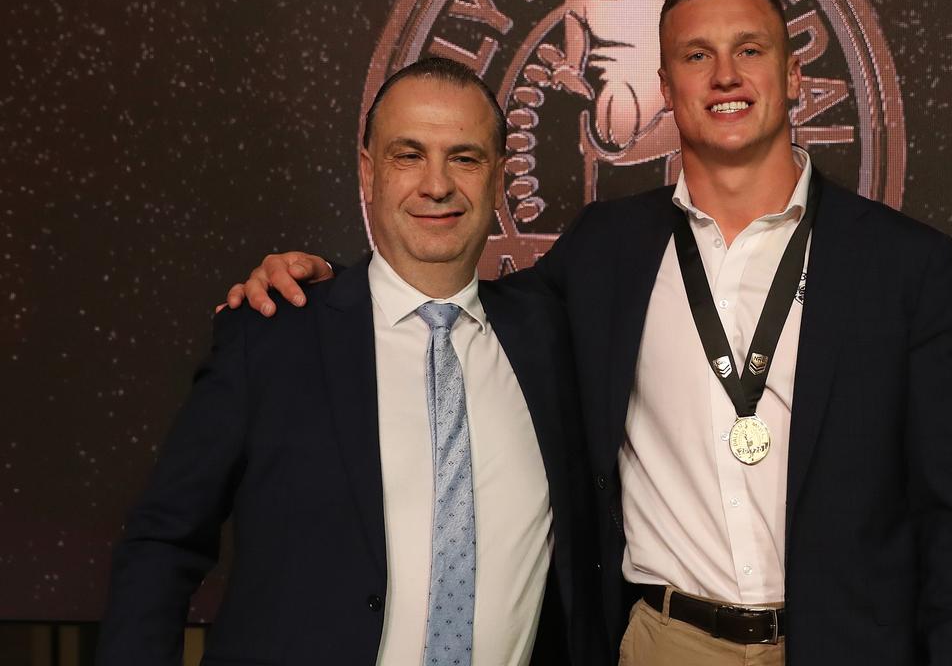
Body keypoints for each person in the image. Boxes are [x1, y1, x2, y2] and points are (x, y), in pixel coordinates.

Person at [228, 0, 952, 665]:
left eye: (750, 51)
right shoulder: (607, 251)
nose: (724, 75)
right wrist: (333, 282)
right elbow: (462, 302)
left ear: (795, 75)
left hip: (852, 644)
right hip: (667, 645)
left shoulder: (906, 265)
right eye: (697, 56)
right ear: (666, 87)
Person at [98, 57, 600, 666]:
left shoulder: (553, 335)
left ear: (499, 180)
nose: (437, 184)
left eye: (464, 158)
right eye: (407, 155)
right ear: (368, 173)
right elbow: (163, 542)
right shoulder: (273, 336)